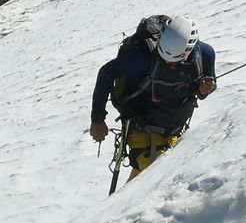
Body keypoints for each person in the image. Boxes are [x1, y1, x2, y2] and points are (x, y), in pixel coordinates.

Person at [89, 14, 217, 180]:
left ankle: (121, 205)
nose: (166, 61)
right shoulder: (141, 55)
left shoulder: (205, 55)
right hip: (140, 126)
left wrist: (204, 90)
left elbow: (203, 89)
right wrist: (97, 119)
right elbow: (106, 74)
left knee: (150, 176)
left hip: (174, 131)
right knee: (160, 173)